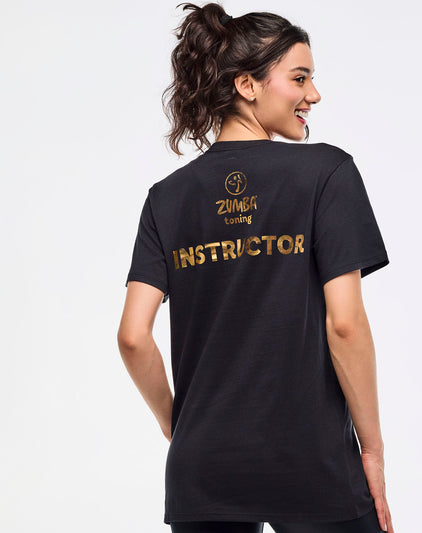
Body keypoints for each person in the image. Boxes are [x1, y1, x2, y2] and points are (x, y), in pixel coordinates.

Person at [117, 3, 395, 533]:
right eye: (300, 78)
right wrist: (373, 449)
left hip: (204, 469)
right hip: (313, 463)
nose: (314, 94)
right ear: (247, 85)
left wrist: (181, 429)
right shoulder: (326, 172)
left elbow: (133, 336)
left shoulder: (166, 198)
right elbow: (345, 324)